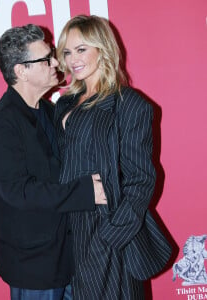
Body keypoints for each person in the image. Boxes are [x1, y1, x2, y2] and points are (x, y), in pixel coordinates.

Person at [0, 24, 106, 300]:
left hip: (71, 256)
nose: (55, 63)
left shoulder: (52, 110)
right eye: (46, 59)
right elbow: (17, 190)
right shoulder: (2, 121)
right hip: (34, 265)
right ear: (20, 71)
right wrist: (87, 191)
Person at [55, 15, 172, 299]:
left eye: (81, 49)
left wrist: (111, 237)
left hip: (102, 229)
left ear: (102, 48)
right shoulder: (64, 102)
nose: (73, 59)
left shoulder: (128, 104)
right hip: (64, 232)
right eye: (67, 52)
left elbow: (141, 179)